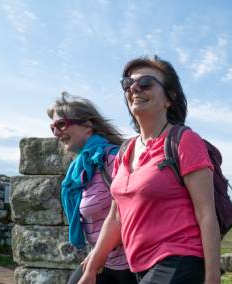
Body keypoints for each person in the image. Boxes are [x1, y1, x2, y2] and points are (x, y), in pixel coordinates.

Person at [79, 55, 221, 284]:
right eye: (128, 83)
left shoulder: (185, 141)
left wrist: (212, 279)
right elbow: (116, 216)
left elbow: (206, 214)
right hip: (140, 265)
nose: (134, 87)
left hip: (180, 257)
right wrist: (92, 269)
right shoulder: (125, 150)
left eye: (146, 82)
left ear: (169, 98)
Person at [47, 92, 136, 284]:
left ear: (88, 126)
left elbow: (132, 213)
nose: (56, 132)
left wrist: (97, 256)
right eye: (53, 127)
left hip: (131, 265)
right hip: (104, 261)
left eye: (61, 124)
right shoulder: (81, 170)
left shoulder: (112, 160)